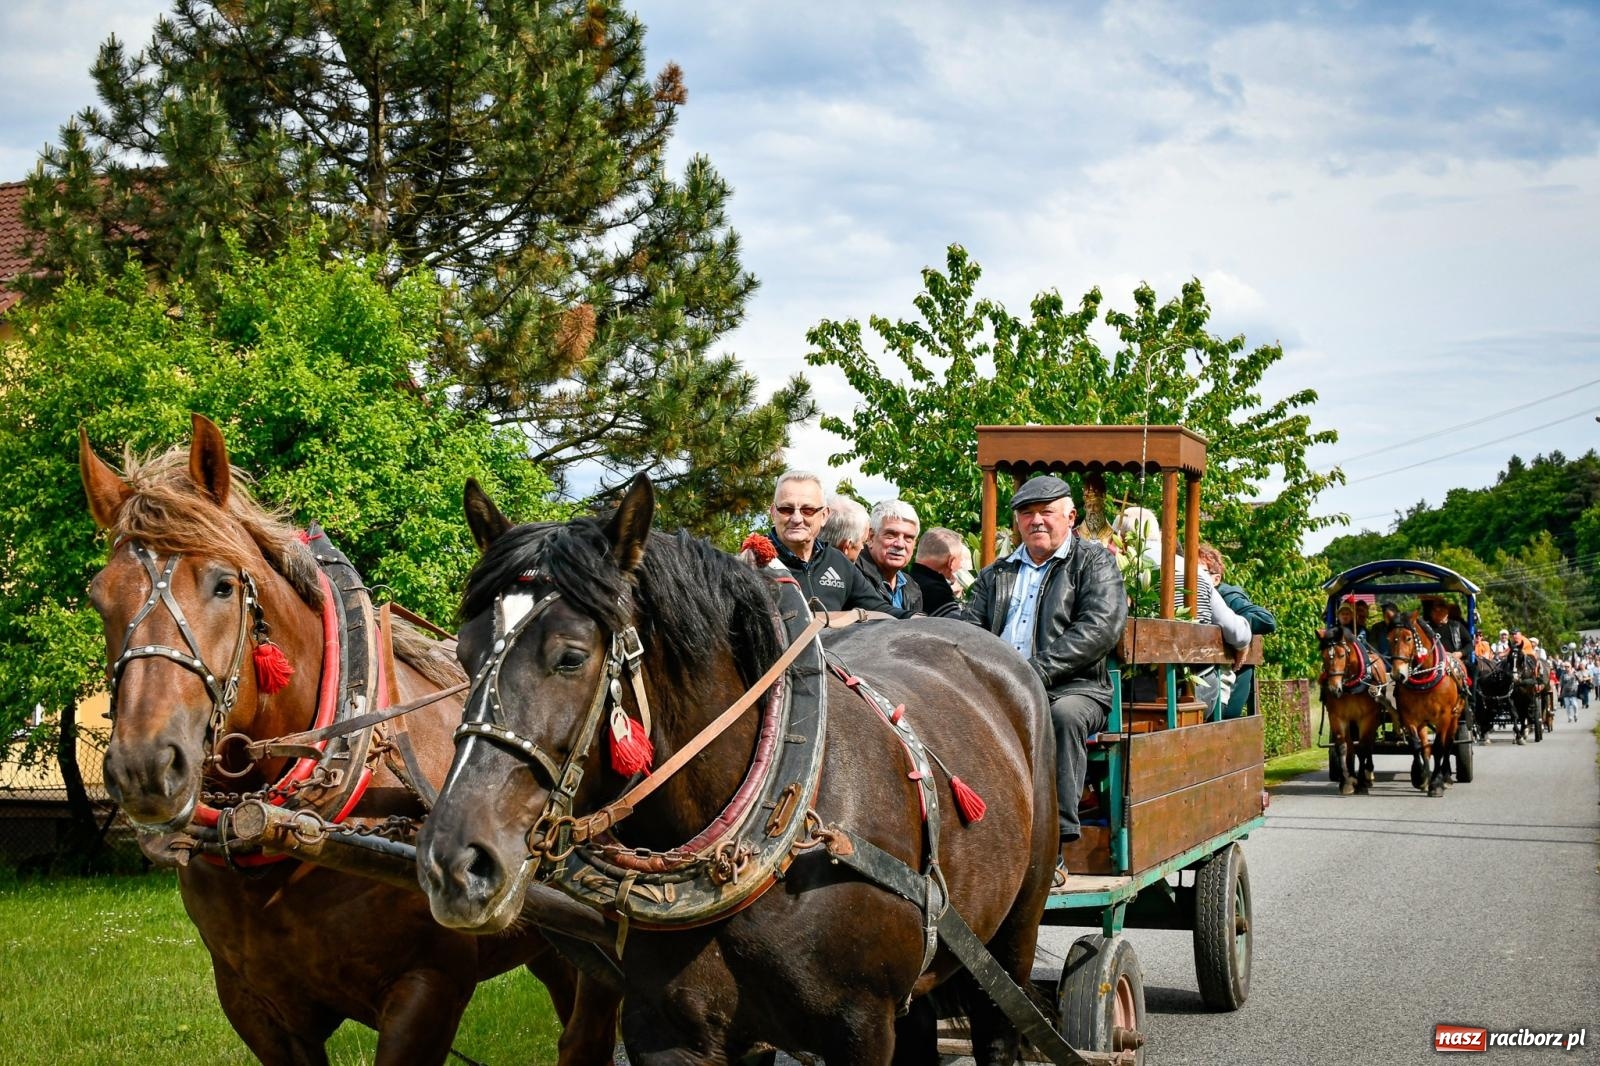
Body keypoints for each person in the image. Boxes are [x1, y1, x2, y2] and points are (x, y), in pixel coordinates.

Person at [960, 476, 1128, 870]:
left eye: (1046, 512)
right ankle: (969, 844)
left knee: (1060, 718)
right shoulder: (996, 573)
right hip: (999, 687)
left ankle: (1052, 845)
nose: (1036, 520)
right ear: (1017, 521)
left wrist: (1033, 673)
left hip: (1074, 688)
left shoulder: (1093, 561)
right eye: (1027, 513)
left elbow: (1100, 628)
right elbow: (967, 631)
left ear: (1070, 517)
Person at [762, 471, 892, 621]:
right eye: (786, 509)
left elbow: (880, 609)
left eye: (808, 510)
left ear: (824, 516)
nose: (796, 518)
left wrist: (913, 617)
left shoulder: (837, 561)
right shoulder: (753, 564)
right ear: (773, 513)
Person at [1198, 543, 1276, 719]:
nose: (1195, 577)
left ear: (1216, 579)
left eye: (1201, 572)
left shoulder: (1226, 595)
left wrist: (1233, 628)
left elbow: (1266, 619)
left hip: (1226, 685)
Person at [854, 500, 923, 618]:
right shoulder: (852, 574)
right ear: (870, 537)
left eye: (908, 538)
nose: (900, 544)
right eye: (891, 535)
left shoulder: (912, 587)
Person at [909, 526, 971, 615]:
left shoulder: (902, 583)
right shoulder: (939, 594)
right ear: (951, 562)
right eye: (960, 560)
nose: (961, 565)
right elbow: (959, 622)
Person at [818, 495, 869, 563]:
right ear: (847, 546)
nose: (862, 547)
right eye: (862, 542)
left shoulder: (806, 564)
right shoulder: (846, 569)